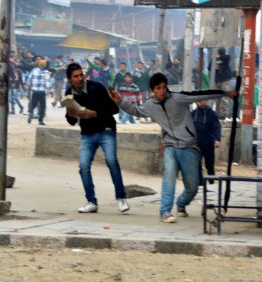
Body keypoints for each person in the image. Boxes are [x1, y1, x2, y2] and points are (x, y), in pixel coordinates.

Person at [112, 72, 236, 223]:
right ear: (152, 90)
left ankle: (181, 203)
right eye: (158, 88)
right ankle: (165, 211)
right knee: (168, 177)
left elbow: (200, 94)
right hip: (170, 145)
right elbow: (136, 111)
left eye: (164, 87)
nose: (162, 91)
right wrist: (120, 101)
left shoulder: (178, 98)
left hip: (189, 147)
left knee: (192, 187)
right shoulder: (150, 105)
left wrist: (225, 93)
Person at [64, 63, 130, 214]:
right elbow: (72, 121)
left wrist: (94, 113)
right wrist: (70, 113)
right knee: (83, 166)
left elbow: (113, 109)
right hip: (87, 134)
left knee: (111, 161)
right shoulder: (69, 93)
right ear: (69, 79)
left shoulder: (96, 87)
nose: (80, 78)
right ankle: (91, 201)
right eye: (76, 76)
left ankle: (121, 198)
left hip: (106, 130)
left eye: (81, 75)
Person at [192, 100, 221, 185]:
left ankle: (211, 181)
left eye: (203, 99)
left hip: (208, 143)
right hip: (196, 143)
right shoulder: (193, 113)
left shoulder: (212, 113)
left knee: (210, 163)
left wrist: (217, 139)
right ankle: (200, 183)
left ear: (207, 100)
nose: (200, 102)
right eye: (199, 100)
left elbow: (216, 127)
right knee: (197, 163)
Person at [210, 48, 233, 119]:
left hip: (224, 80)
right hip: (217, 80)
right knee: (217, 98)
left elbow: (228, 57)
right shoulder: (214, 59)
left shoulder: (225, 58)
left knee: (224, 98)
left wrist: (218, 57)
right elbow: (209, 67)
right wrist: (214, 65)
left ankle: (223, 114)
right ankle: (217, 113)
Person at [27, 59, 51, 125]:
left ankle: (31, 112)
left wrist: (29, 86)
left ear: (39, 64)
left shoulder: (34, 70)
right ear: (45, 65)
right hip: (42, 92)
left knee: (33, 104)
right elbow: (48, 82)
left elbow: (29, 79)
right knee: (42, 107)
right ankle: (40, 121)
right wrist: (48, 90)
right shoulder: (46, 72)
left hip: (34, 91)